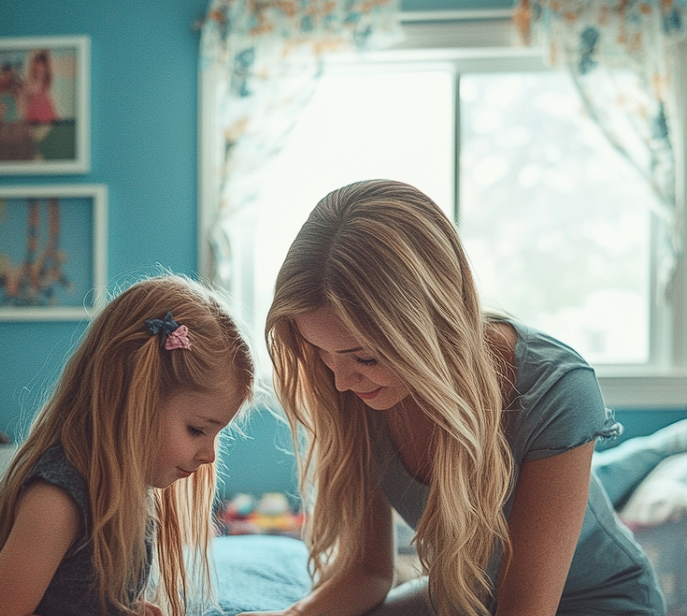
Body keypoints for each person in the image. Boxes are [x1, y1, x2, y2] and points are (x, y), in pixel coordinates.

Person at [258, 180, 664, 616]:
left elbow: (525, 608)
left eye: (366, 357)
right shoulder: (350, 389)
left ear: (428, 327)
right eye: (322, 353)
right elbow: (367, 572)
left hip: (597, 603)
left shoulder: (555, 388)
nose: (341, 382)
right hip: (472, 598)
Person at [0, 274, 255, 616]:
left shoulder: (128, 491)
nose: (209, 454)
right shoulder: (57, 500)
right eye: (196, 429)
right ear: (131, 401)